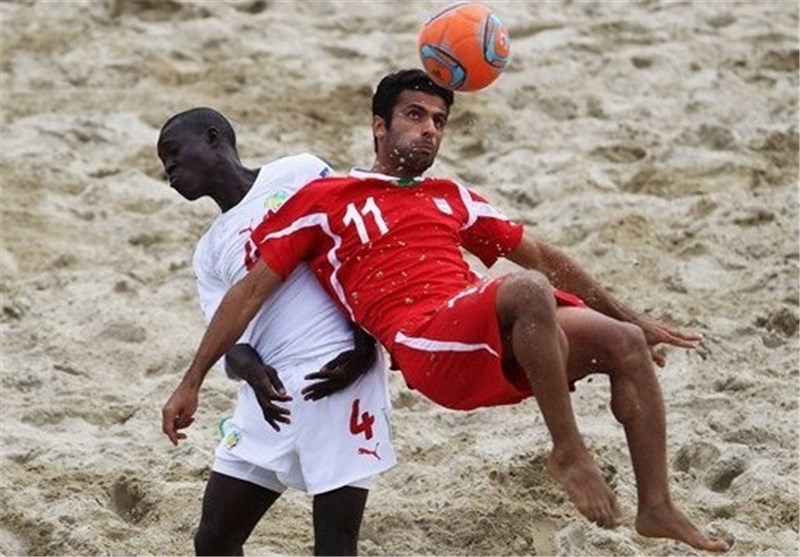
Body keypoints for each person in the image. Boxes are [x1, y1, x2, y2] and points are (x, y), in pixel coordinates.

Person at [170, 71, 729, 552]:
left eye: (439, 120)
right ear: (379, 126)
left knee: (624, 340)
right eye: (415, 115)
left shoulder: (448, 195)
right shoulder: (328, 197)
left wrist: (633, 316)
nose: (429, 129)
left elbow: (544, 255)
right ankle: (569, 452)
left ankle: (655, 505)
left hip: (473, 324)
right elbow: (248, 294)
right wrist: (192, 380)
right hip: (426, 338)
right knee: (528, 288)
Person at [157, 107, 396, 556]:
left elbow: (358, 249)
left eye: (172, 153)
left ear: (213, 138)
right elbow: (229, 339)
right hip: (271, 397)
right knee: (213, 540)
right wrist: (247, 367)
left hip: (339, 375)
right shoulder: (208, 252)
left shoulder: (300, 171)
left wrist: (367, 343)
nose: (168, 169)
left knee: (335, 543)